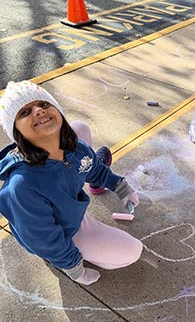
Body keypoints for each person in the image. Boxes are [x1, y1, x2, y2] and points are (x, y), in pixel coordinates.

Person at [0, 81, 143, 285]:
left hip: (68, 204)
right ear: (17, 133)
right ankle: (62, 259)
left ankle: (89, 189)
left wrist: (120, 186)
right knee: (132, 251)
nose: (39, 110)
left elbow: (92, 167)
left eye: (44, 104)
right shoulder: (22, 186)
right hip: (65, 229)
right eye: (24, 112)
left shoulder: (72, 146)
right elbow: (43, 238)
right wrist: (74, 267)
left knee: (79, 128)